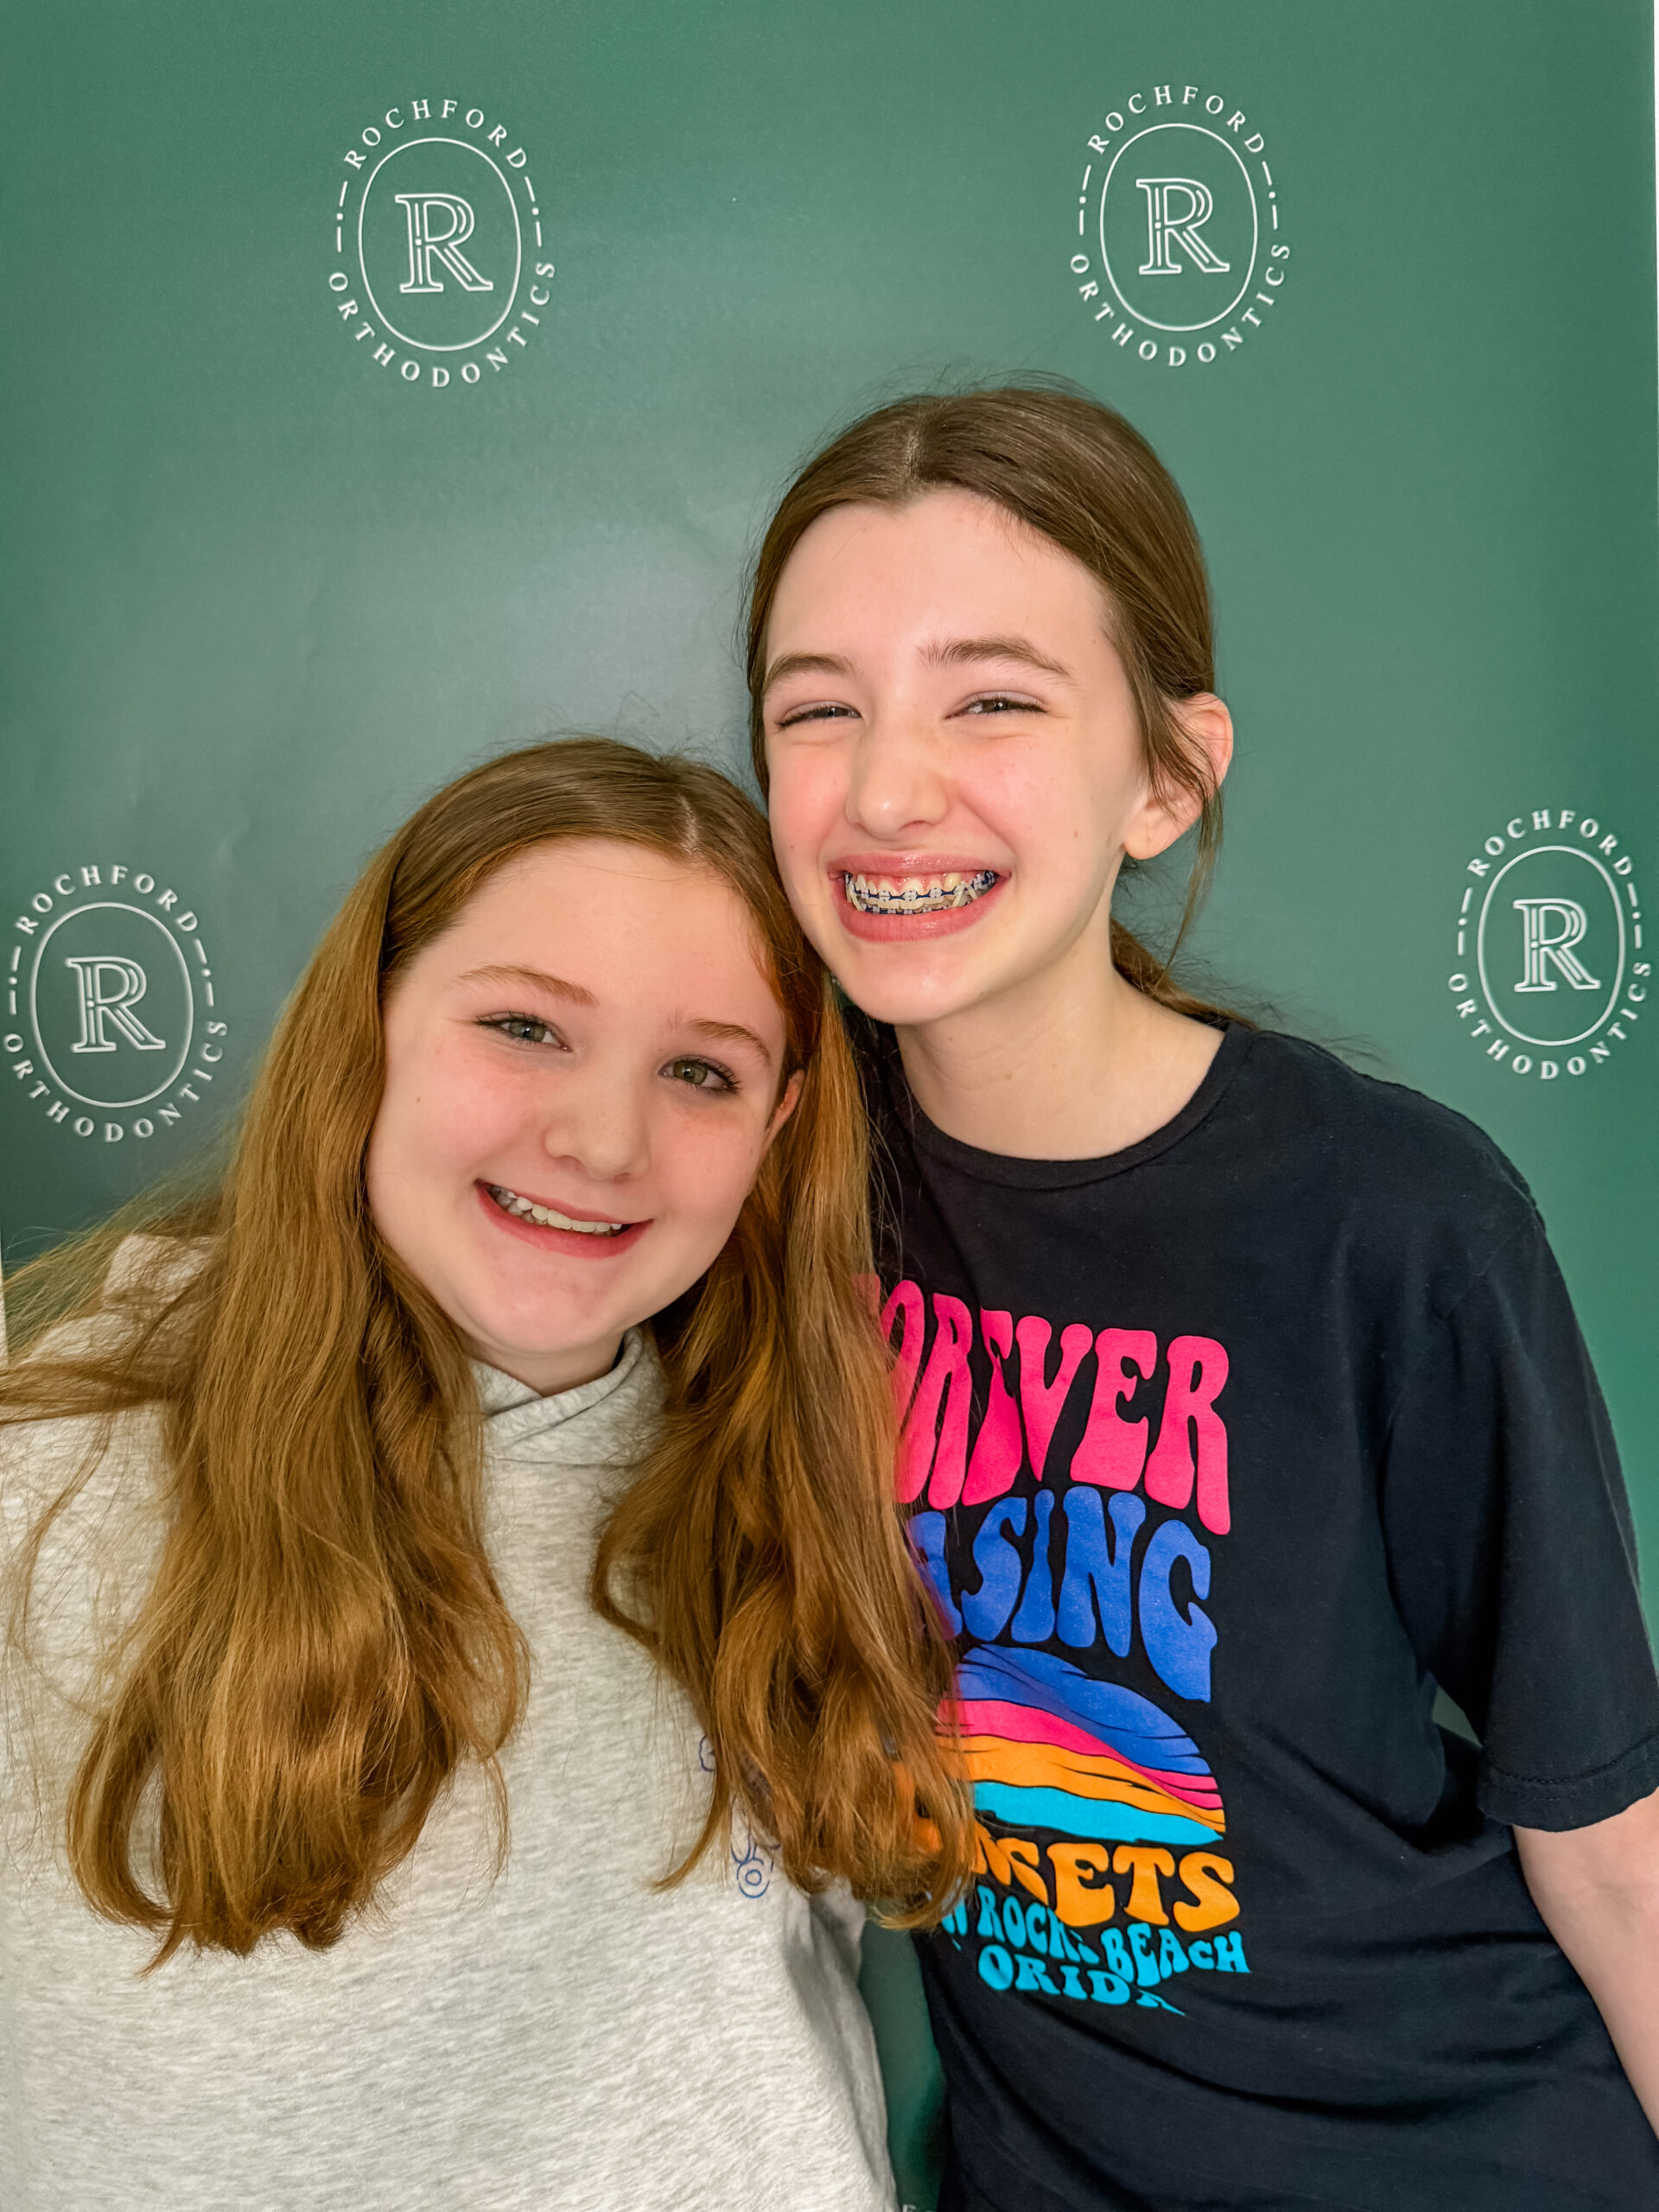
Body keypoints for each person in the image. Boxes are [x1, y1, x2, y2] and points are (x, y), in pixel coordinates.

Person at [745, 385, 1659, 2210]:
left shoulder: (1395, 1218)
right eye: (814, 708)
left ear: (1167, 773)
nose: (884, 786)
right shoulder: (758, 1173)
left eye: (992, 697)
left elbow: (1607, 1836)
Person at [0, 737, 974, 2212]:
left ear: (776, 1131)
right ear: (370, 1023)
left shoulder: (804, 1488)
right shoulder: (44, 1488)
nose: (598, 1141)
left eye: (701, 1070)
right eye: (525, 1027)